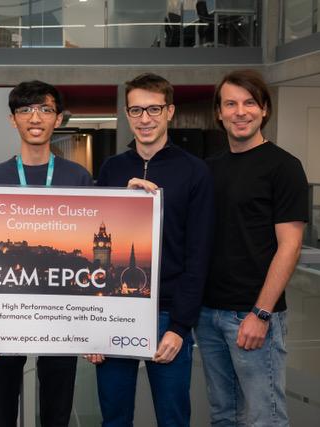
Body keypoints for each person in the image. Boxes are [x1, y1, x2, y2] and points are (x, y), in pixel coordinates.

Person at [88, 73, 214, 427]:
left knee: (173, 418)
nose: (145, 119)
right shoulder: (112, 169)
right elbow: (95, 248)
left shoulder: (194, 171)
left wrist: (179, 326)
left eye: (154, 109)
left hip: (167, 316)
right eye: (136, 110)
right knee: (114, 417)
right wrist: (92, 324)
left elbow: (198, 254)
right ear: (127, 114)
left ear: (170, 111)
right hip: (115, 312)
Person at [194, 70, 308, 426]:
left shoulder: (284, 167)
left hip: (253, 315)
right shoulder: (207, 168)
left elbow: (289, 247)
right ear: (219, 112)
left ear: (264, 110)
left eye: (249, 103)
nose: (240, 111)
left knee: (265, 418)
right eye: (231, 103)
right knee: (223, 415)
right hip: (208, 314)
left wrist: (260, 314)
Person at [0, 80, 93, 427]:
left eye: (45, 109)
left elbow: (89, 253)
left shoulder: (78, 178)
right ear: (13, 120)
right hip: (4, 310)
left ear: (58, 119)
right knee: (1, 414)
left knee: (56, 414)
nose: (35, 117)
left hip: (62, 310)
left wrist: (94, 327)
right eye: (25, 110)